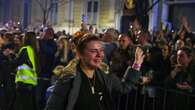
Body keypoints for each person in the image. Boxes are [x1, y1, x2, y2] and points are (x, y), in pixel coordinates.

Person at [44, 33, 145, 110]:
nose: (100, 55)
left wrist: (136, 65)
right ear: (80, 54)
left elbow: (124, 88)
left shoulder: (104, 74)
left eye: (101, 50)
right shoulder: (69, 78)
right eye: (93, 51)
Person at [14, 32, 39, 110]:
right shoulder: (32, 50)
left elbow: (16, 63)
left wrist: (11, 56)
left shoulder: (25, 49)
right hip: (31, 83)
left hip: (23, 84)